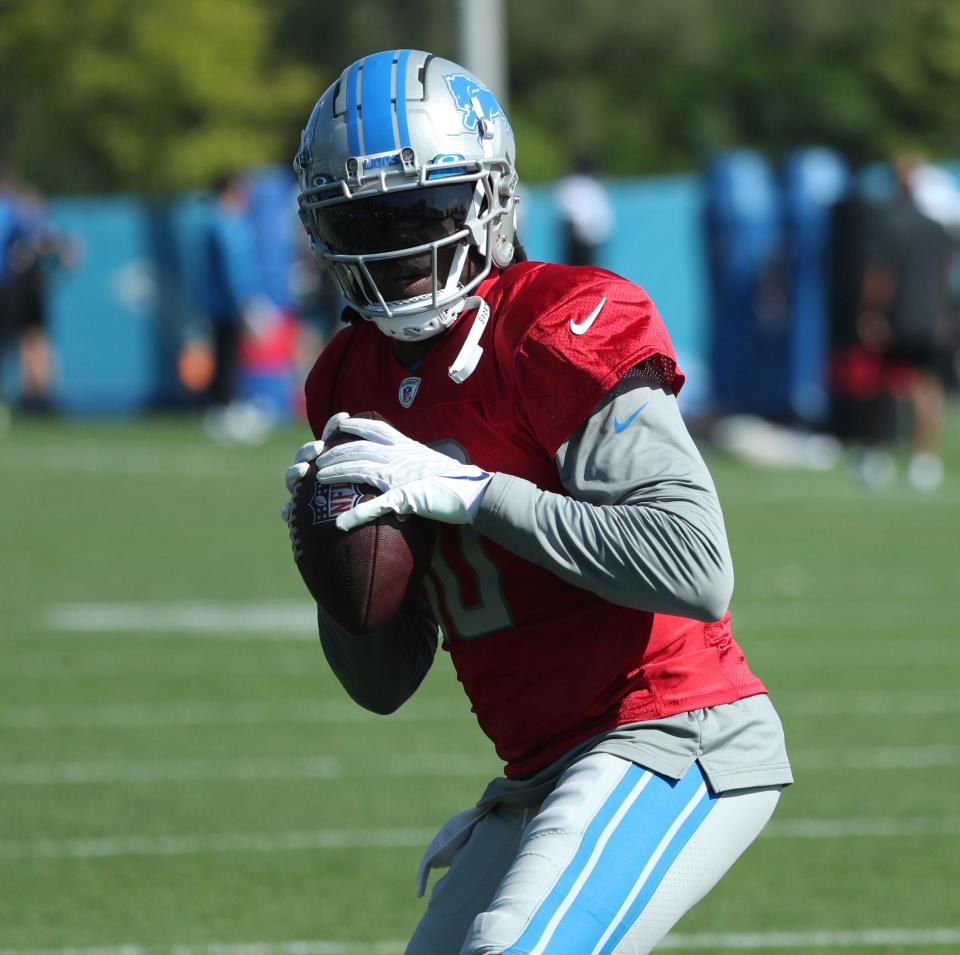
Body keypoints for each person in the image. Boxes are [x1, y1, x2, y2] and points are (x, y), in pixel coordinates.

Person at [282, 50, 792, 954]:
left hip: (673, 729)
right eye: (365, 218)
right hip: (536, 770)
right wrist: (333, 558)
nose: (398, 245)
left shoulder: (561, 325)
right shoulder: (345, 380)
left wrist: (473, 493)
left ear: (489, 199)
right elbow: (384, 682)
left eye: (422, 210)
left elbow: (696, 566)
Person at [854, 155, 953, 490]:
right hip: (930, 318)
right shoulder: (938, 228)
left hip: (898, 318)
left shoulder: (890, 223)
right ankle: (924, 462)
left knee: (883, 386)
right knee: (928, 387)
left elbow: (881, 275)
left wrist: (873, 313)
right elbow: (945, 277)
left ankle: (876, 456)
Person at [553, 156, 615, 267]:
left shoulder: (570, 185)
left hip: (581, 239)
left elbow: (565, 213)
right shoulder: (593, 187)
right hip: (584, 239)